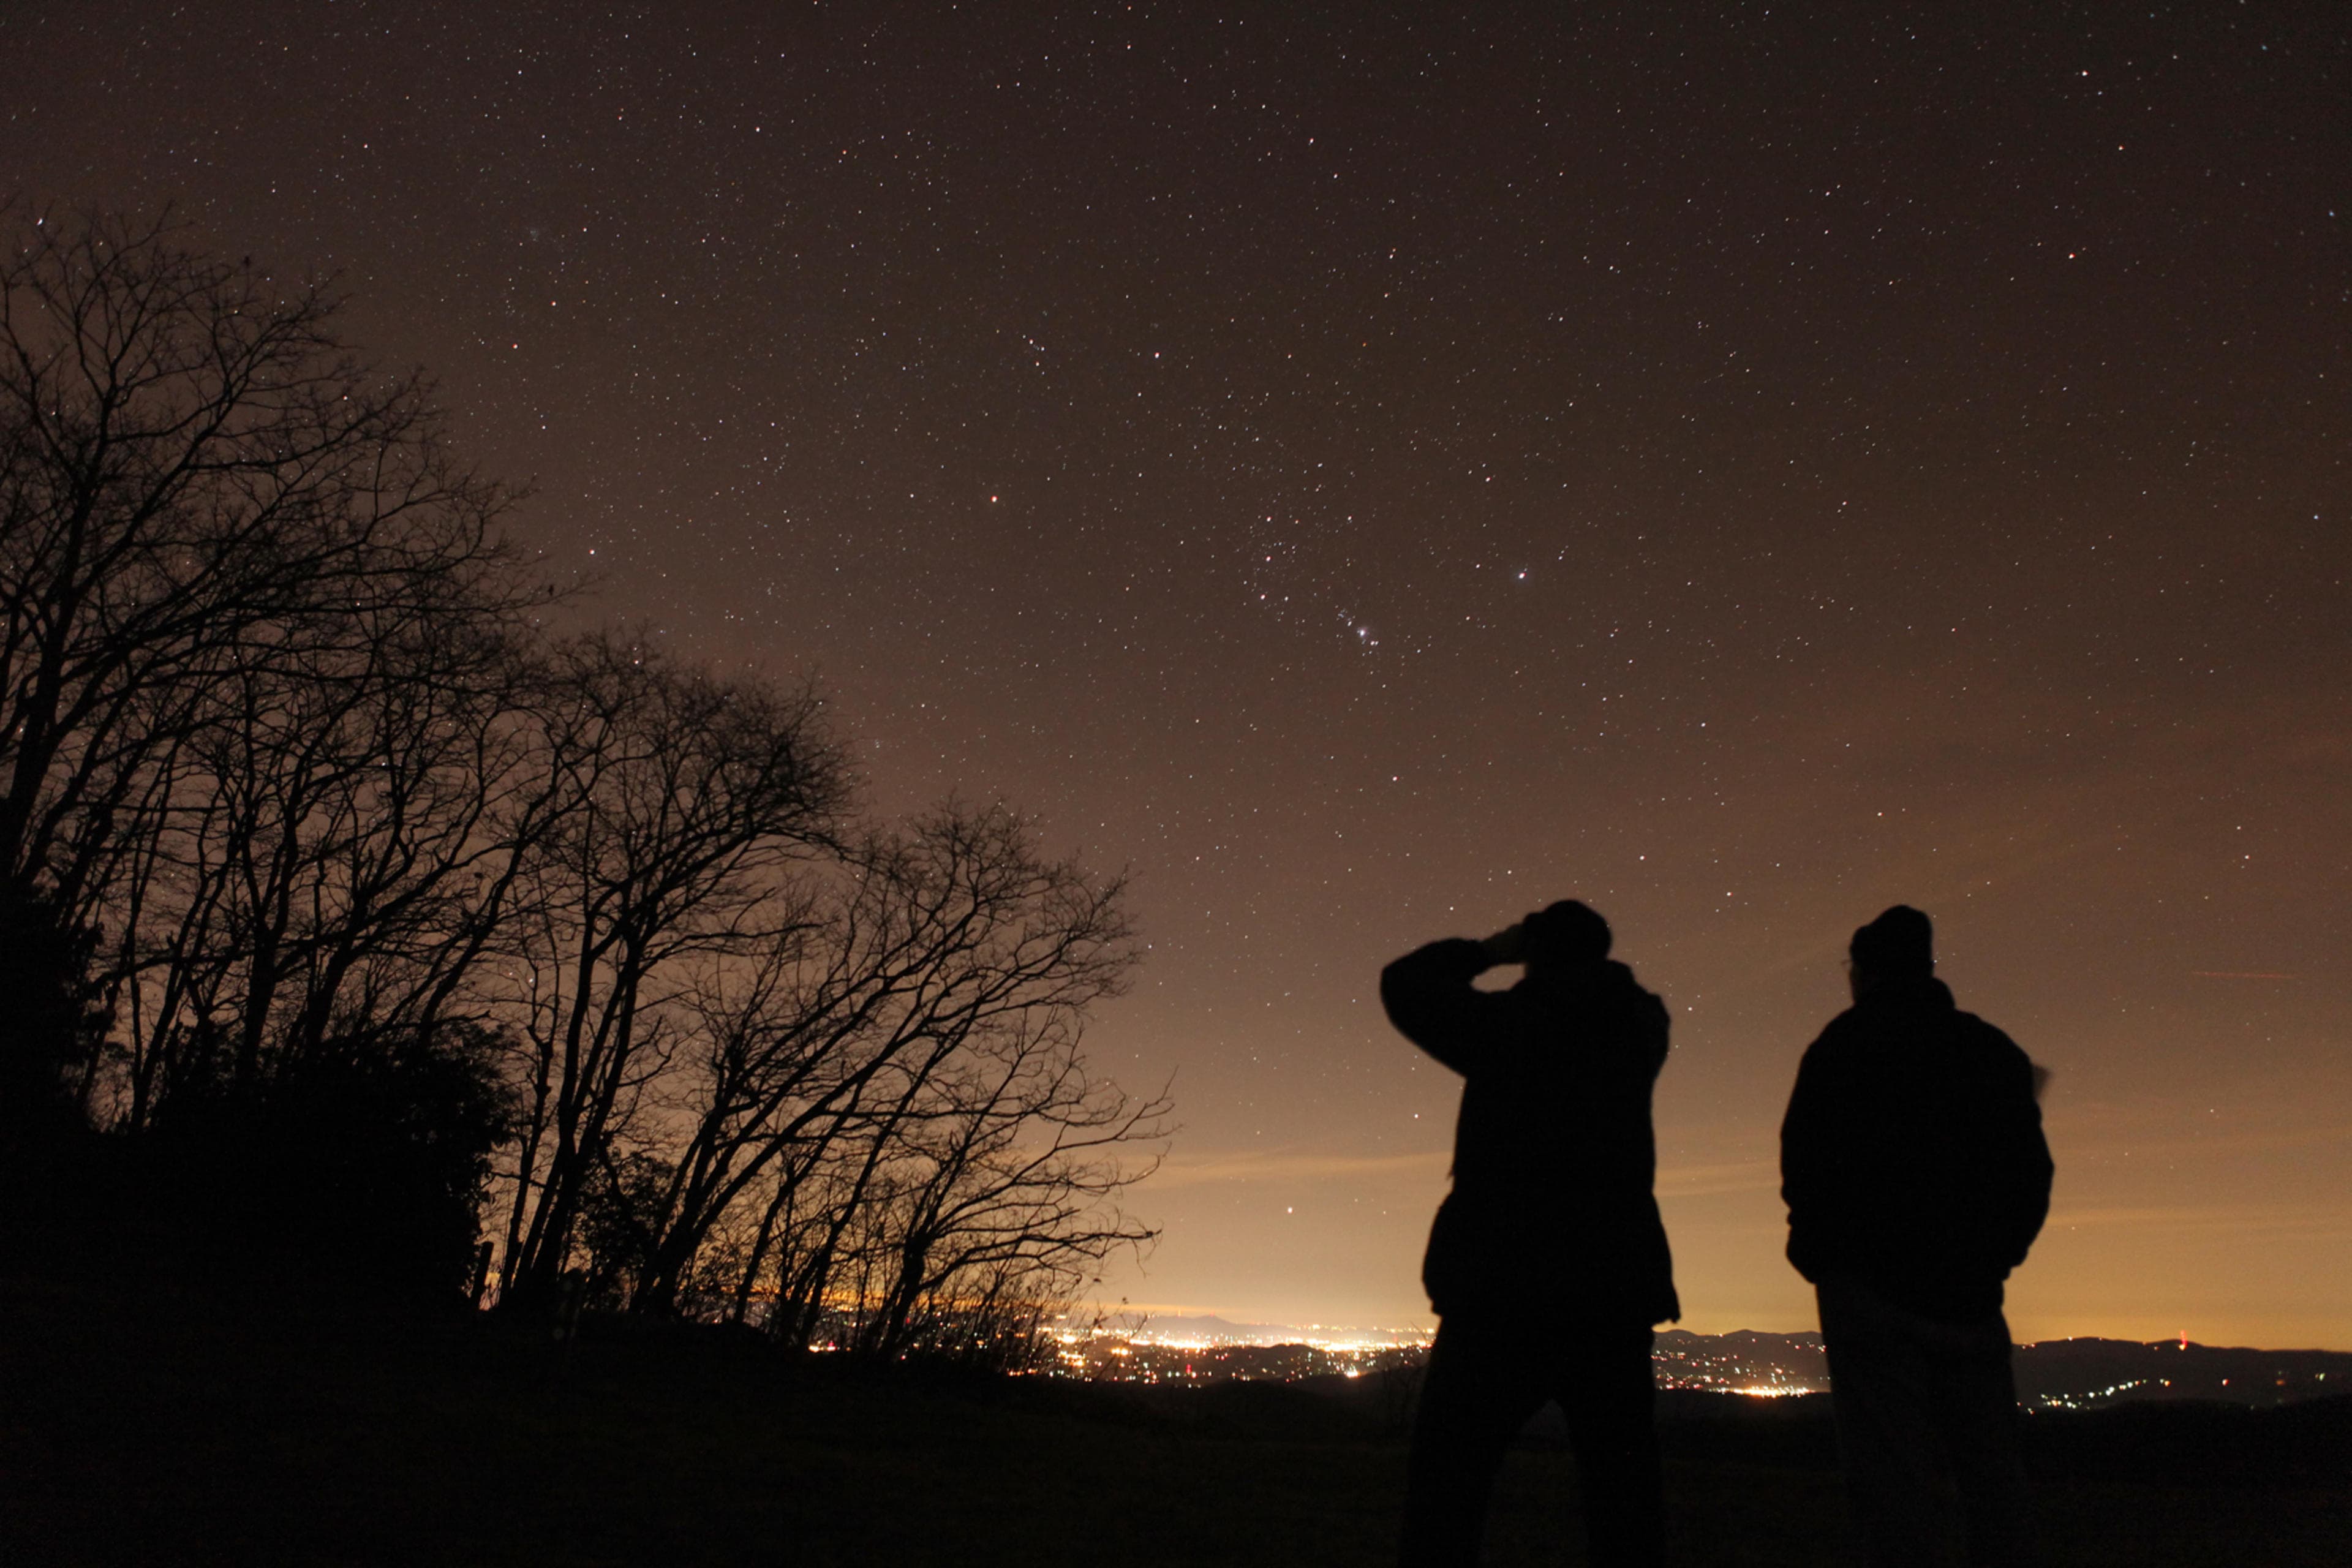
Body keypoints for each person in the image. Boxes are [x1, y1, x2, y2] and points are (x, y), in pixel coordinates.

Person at [1381, 899, 1677, 1568]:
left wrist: (1489, 949)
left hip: (1499, 1286)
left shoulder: (1508, 1028)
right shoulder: (1641, 1024)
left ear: (1535, 952)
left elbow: (1404, 983)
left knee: (1447, 1490)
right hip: (1612, 1283)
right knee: (1623, 1494)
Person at [1781, 905, 2054, 1567]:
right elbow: (2029, 1172)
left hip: (1868, 1296)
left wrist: (1824, 1258)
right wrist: (1996, 1258)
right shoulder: (1990, 1050)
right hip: (1969, 1292)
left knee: (1890, 1489)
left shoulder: (1841, 1047)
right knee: (1992, 1479)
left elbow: (1804, 1166)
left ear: (1864, 971)